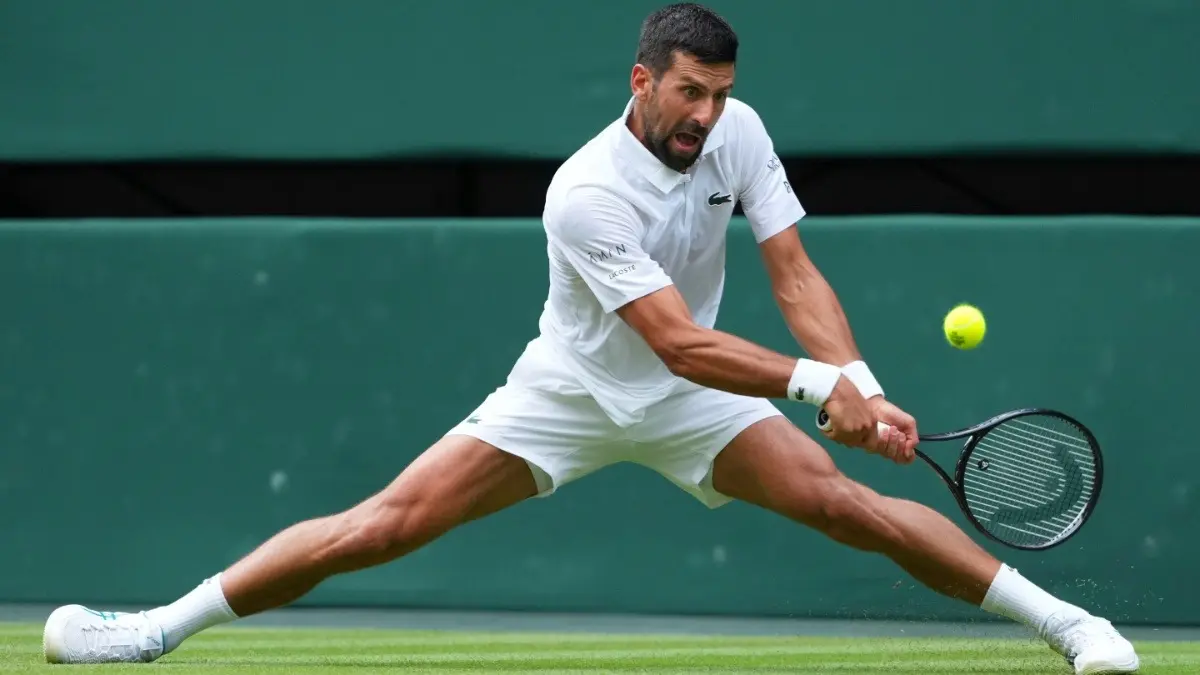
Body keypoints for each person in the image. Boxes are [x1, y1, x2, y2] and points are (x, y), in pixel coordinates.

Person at [42, 4, 1138, 673]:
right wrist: (815, 385)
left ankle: (1074, 628)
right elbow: (675, 342)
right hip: (575, 387)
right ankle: (153, 631)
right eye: (691, 92)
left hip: (695, 401)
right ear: (642, 81)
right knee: (376, 529)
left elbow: (792, 270)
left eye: (721, 94)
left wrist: (858, 379)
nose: (708, 115)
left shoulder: (741, 135)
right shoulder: (584, 193)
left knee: (853, 508)